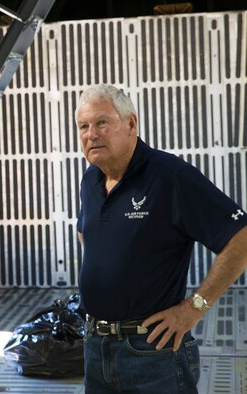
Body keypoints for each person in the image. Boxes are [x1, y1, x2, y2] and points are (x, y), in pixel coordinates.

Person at [75, 84, 247, 393]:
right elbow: (87, 233)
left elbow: (241, 237)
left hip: (151, 352)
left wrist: (195, 307)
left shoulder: (170, 177)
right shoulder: (91, 179)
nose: (91, 134)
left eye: (102, 122)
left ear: (131, 124)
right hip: (96, 349)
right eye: (83, 126)